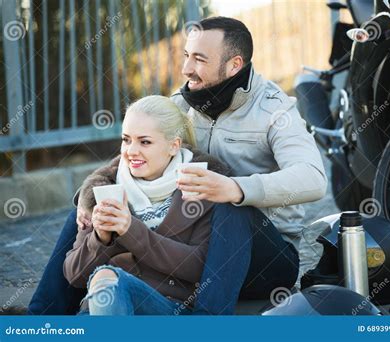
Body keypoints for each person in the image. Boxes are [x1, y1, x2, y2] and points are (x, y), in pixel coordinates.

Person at [28, 16, 327, 315]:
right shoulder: (182, 103)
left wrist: (236, 188)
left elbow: (313, 178)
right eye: (186, 56)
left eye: (199, 59)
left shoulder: (275, 109)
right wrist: (89, 196)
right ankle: (41, 319)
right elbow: (131, 156)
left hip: (263, 256)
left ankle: (207, 321)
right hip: (193, 245)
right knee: (91, 209)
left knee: (228, 204)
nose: (186, 69)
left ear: (234, 64)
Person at [63, 95, 229, 315]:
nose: (131, 151)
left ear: (173, 146)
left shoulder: (203, 185)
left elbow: (200, 267)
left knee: (109, 280)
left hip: (169, 307)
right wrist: (101, 239)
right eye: (126, 140)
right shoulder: (106, 188)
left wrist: (129, 230)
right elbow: (74, 275)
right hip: (105, 306)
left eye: (145, 142)